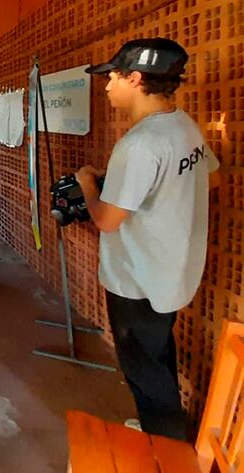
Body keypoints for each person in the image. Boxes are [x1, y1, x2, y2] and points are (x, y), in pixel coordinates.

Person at [75, 38, 222, 440]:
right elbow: (213, 178)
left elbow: (106, 220)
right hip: (174, 271)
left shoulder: (138, 145)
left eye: (113, 78)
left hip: (137, 281)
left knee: (142, 367)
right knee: (158, 356)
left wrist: (88, 185)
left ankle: (166, 449)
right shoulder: (183, 126)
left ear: (135, 79)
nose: (106, 87)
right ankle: (162, 427)